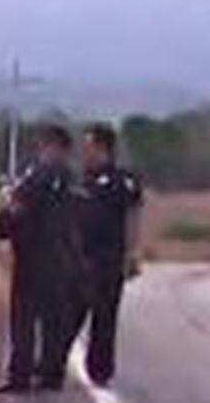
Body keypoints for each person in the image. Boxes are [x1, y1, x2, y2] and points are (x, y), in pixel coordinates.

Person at [0, 125, 80, 393]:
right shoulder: (69, 178)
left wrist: (6, 202)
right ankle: (52, 375)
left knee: (24, 318)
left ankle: (20, 376)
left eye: (43, 145)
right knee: (54, 319)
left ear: (54, 147)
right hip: (60, 256)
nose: (39, 149)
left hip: (33, 255)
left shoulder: (36, 176)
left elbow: (17, 210)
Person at [58, 122, 146, 387]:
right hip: (79, 258)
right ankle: (52, 365)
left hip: (108, 259)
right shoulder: (80, 180)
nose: (84, 152)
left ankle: (100, 371)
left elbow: (133, 215)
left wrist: (133, 253)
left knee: (104, 318)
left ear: (102, 148)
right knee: (67, 313)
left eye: (89, 146)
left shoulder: (122, 181)